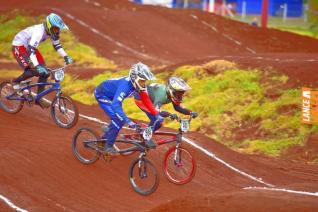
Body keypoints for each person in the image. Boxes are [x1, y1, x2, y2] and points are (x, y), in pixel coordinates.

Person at [94, 62, 163, 155]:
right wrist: (128, 121)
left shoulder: (138, 85)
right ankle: (108, 147)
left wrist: (156, 114)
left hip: (113, 97)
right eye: (142, 80)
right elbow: (115, 105)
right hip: (102, 95)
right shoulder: (125, 86)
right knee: (118, 119)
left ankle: (109, 131)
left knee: (118, 119)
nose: (144, 83)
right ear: (135, 78)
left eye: (145, 81)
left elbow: (146, 100)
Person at [11, 13, 73, 108]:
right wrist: (37, 66)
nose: (57, 31)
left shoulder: (51, 32)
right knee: (34, 69)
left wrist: (65, 56)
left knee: (45, 72)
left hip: (29, 47)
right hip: (19, 46)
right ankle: (16, 82)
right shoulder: (39, 32)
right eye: (56, 28)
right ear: (49, 26)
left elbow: (57, 45)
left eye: (58, 29)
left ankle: (39, 98)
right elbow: (30, 50)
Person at [134, 76, 198, 132]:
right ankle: (145, 136)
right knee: (158, 120)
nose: (180, 95)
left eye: (181, 93)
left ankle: (146, 132)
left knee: (157, 121)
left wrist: (190, 112)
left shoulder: (170, 94)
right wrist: (169, 114)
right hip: (140, 99)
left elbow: (177, 108)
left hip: (150, 98)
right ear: (171, 90)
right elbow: (156, 112)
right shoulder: (161, 96)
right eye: (179, 93)